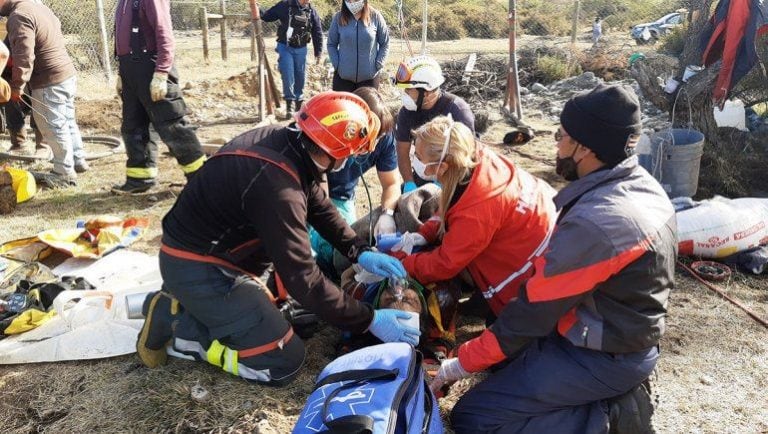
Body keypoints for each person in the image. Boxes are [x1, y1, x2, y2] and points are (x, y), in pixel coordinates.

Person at [431, 84, 677, 433]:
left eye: (562, 135)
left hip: (599, 354)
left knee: (475, 417)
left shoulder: (597, 223)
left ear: (585, 148)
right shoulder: (642, 187)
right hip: (612, 334)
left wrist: (459, 364)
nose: (557, 143)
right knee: (503, 362)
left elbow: (530, 315)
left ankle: (610, 417)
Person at [136, 91, 420, 385]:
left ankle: (189, 303)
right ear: (335, 150)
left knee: (302, 319)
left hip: (226, 254)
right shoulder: (278, 188)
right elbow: (303, 278)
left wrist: (358, 250)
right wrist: (370, 319)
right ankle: (181, 329)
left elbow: (319, 206)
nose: (350, 159)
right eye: (352, 152)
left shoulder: (290, 143)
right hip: (200, 265)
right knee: (282, 360)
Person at [392, 115, 556, 353]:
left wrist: (404, 263)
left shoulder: (477, 210)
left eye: (418, 157)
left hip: (535, 261)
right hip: (538, 222)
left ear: (443, 165)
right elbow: (449, 204)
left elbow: (445, 263)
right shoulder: (471, 156)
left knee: (510, 341)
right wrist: (425, 233)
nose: (413, 160)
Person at [113, 0, 207, 194]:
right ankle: (140, 179)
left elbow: (164, 33)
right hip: (130, 69)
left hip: (152, 67)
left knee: (172, 126)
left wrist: (162, 73)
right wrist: (122, 74)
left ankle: (202, 180)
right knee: (134, 126)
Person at [309, 87, 401, 276]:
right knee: (312, 248)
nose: (372, 146)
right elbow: (320, 187)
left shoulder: (384, 137)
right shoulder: (334, 130)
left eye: (378, 138)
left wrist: (388, 214)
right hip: (310, 189)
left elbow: (391, 183)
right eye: (368, 139)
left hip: (343, 196)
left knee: (340, 257)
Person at [1, 0, 87, 187]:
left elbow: (24, 55)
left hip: (48, 80)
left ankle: (64, 173)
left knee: (53, 126)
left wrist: (17, 86)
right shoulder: (37, 6)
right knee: (67, 120)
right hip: (66, 74)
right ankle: (77, 160)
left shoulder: (19, 16)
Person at [393, 55, 474, 193]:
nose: (404, 94)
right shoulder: (406, 113)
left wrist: (446, 185)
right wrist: (409, 183)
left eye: (408, 90)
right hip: (422, 175)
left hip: (453, 179)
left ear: (427, 92)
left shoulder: (459, 112)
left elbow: (468, 157)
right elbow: (402, 150)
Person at [261, 0, 323, 118]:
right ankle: (289, 105)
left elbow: (317, 31)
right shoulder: (285, 5)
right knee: (288, 73)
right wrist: (258, 10)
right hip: (285, 47)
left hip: (301, 49)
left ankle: (298, 105)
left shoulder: (311, 11)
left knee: (300, 75)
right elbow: (268, 16)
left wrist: (318, 52)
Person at [327, 0, 390, 92]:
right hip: (343, 79)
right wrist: (337, 65)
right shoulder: (338, 17)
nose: (352, 1)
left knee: (367, 107)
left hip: (369, 80)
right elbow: (331, 44)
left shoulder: (375, 16)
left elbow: (385, 43)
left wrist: (378, 64)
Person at [1, 35, 43, 157]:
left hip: (33, 72)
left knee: (38, 102)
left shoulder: (21, 24)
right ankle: (19, 144)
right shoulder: (13, 28)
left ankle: (43, 145)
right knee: (10, 104)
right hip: (10, 73)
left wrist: (17, 86)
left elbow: (4, 53)